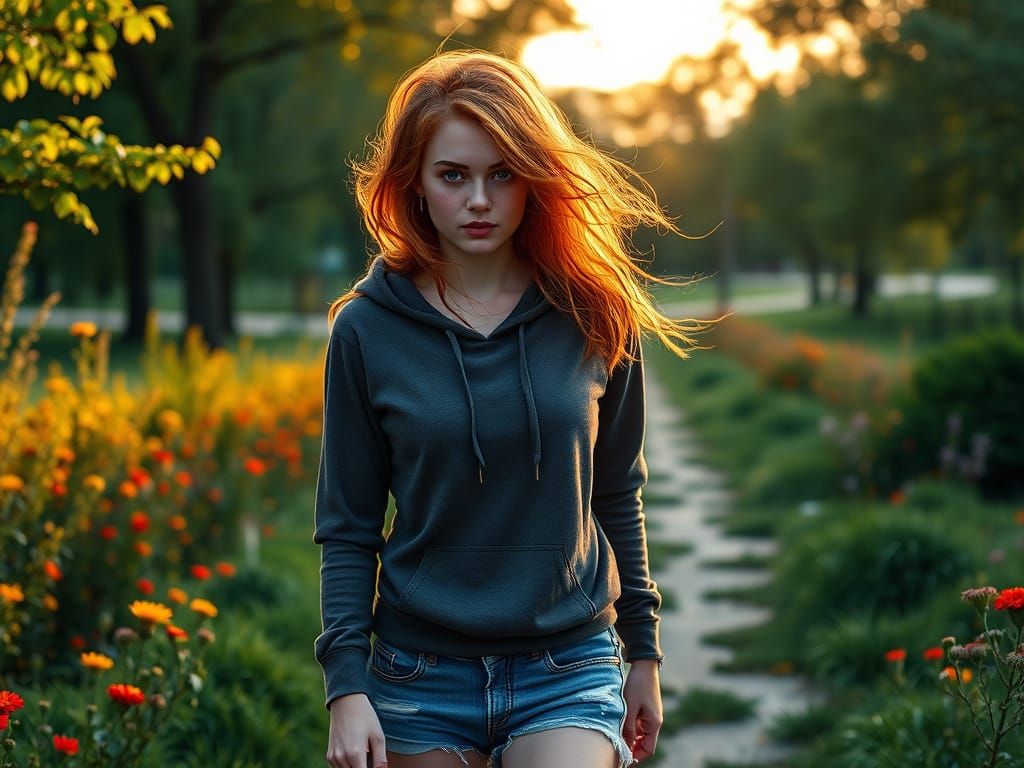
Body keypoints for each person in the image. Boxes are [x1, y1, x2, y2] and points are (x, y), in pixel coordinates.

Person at [314, 49, 707, 768]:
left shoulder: (594, 311)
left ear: (532, 179)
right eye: (453, 175)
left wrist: (644, 651)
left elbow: (618, 489)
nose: (479, 200)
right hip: (416, 672)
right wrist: (346, 687)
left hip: (567, 663)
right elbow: (348, 526)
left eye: (503, 174)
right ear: (415, 185)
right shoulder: (365, 330)